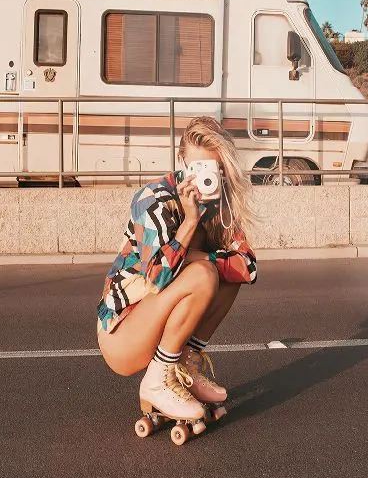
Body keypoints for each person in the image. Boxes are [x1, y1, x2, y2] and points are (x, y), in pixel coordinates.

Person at [96, 115, 258, 423]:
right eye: (197, 168)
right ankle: (157, 381)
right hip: (122, 331)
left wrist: (198, 257)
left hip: (159, 315)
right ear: (181, 161)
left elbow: (248, 267)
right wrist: (191, 221)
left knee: (222, 277)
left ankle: (186, 364)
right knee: (204, 275)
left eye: (214, 168)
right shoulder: (153, 199)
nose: (204, 177)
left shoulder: (222, 205)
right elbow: (158, 276)